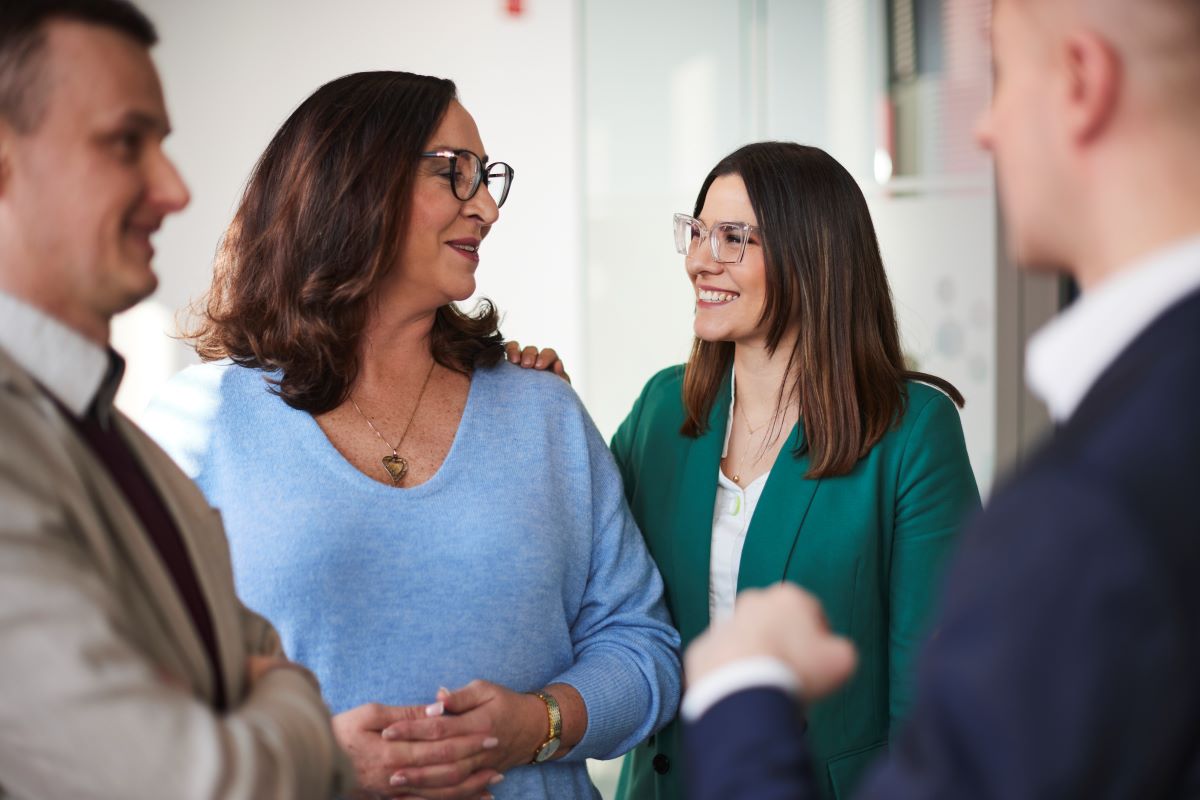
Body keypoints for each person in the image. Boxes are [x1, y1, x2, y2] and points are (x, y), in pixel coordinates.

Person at [681, 0, 1200, 796]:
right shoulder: (662, 413)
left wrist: (742, 689)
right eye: (697, 232)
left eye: (1001, 76)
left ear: (1084, 83)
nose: (984, 130)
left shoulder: (1089, 496)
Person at [143, 70, 681, 800]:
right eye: (455, 174)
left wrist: (539, 722)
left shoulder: (544, 414)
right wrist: (307, 759)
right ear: (353, 184)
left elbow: (642, 646)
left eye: (487, 178)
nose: (486, 207)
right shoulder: (200, 421)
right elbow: (127, 686)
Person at [0, 2, 355, 798]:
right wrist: (297, 709)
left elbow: (245, 653)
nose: (176, 189)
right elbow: (192, 781)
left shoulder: (118, 442)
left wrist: (252, 710)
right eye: (127, 142)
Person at [611, 142, 980, 800]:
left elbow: (934, 697)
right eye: (697, 232)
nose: (701, 259)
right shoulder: (663, 409)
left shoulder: (912, 431)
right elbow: (574, 568)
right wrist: (527, 399)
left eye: (732, 238)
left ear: (813, 256)